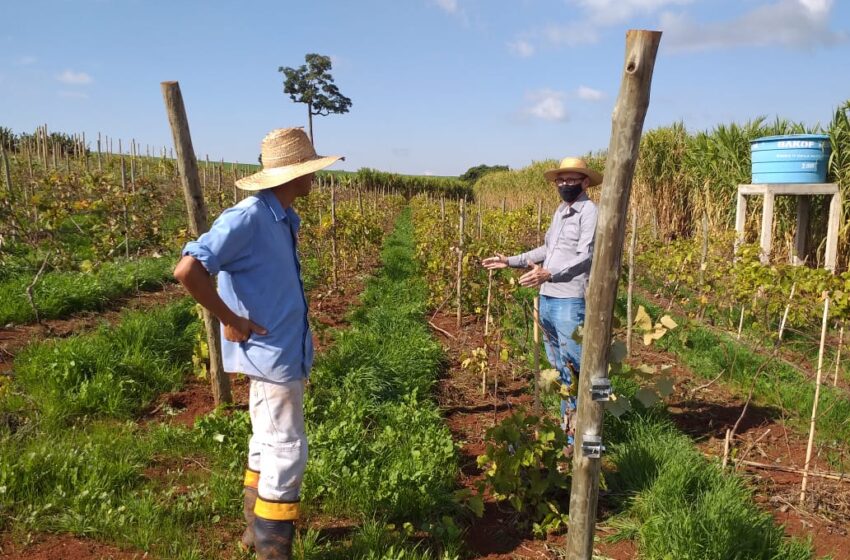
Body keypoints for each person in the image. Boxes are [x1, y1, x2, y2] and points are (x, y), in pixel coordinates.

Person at [173, 128, 341, 560]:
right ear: (291, 175)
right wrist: (229, 318)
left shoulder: (283, 217)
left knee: (267, 440)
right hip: (271, 353)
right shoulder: (247, 217)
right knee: (287, 448)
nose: (314, 177)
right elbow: (188, 269)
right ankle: (272, 550)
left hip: (281, 348)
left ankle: (255, 532)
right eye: (309, 169)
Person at [482, 157, 601, 446]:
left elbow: (587, 256)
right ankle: (568, 428)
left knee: (575, 367)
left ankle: (585, 438)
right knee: (560, 366)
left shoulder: (589, 211)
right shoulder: (561, 210)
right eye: (561, 180)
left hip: (569, 300)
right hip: (547, 297)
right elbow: (547, 248)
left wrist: (550, 273)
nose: (564, 185)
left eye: (571, 180)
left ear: (585, 182)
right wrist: (510, 261)